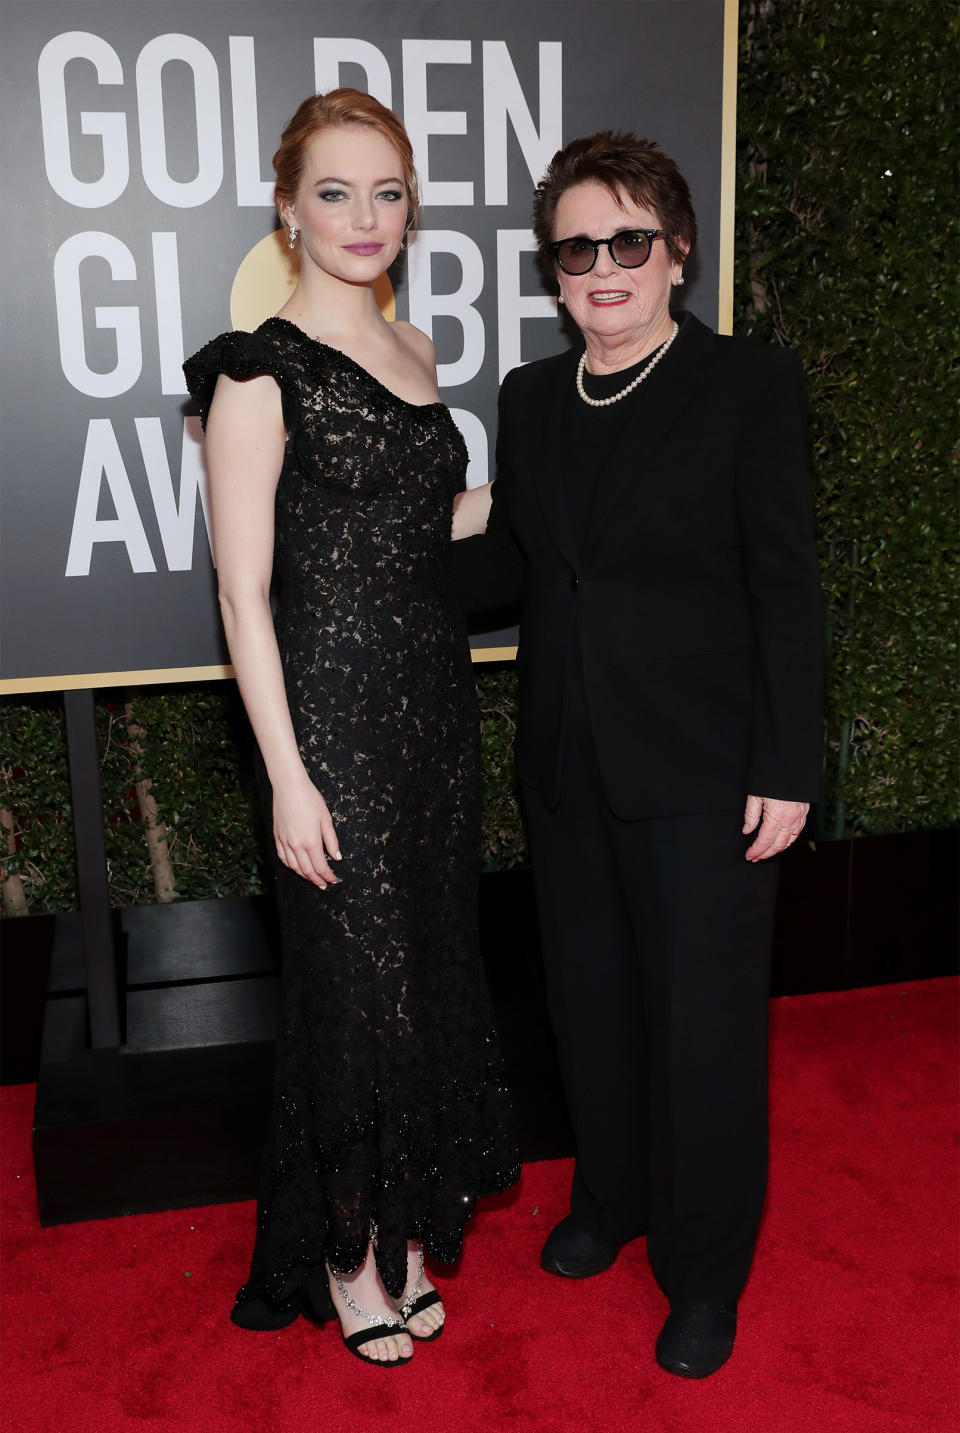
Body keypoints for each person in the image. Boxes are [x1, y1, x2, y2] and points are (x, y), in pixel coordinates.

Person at [452, 131, 823, 1379]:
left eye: (628, 241)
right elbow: (511, 565)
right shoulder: (533, 397)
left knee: (705, 1032)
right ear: (554, 269)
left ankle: (704, 1268)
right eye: (577, 245)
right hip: (565, 763)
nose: (602, 265)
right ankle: (611, 1199)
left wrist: (789, 760)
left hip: (708, 771)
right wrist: (376, 557)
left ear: (677, 254)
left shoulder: (746, 385)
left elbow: (786, 583)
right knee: (591, 1007)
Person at [183, 89, 518, 1369]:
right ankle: (345, 1249)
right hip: (325, 716)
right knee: (355, 990)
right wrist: (286, 772)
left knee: (430, 971)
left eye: (386, 191)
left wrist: (553, 479)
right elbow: (241, 590)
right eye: (336, 190)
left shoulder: (419, 349)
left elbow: (417, 523)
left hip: (435, 708)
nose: (363, 215)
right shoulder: (257, 368)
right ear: (289, 208)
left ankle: (414, 1223)